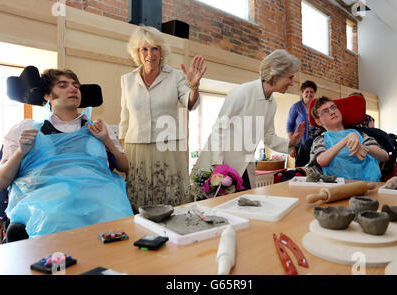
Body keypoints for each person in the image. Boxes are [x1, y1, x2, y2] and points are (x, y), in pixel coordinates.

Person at [0, 68, 133, 242]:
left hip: (100, 199)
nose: (73, 89)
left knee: (118, 222)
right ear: (47, 95)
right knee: (55, 220)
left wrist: (106, 141)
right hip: (48, 203)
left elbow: (125, 166)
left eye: (76, 85)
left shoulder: (98, 128)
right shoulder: (26, 128)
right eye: (63, 85)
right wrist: (21, 152)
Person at [119, 25, 206, 212]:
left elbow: (189, 103)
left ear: (161, 51)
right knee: (141, 204)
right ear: (137, 52)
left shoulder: (175, 76)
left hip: (167, 148)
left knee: (170, 201)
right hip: (136, 150)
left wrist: (194, 87)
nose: (150, 53)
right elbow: (124, 120)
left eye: (154, 48)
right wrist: (120, 154)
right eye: (144, 49)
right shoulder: (127, 79)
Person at [193, 49, 305, 192]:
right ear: (276, 74)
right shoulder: (242, 92)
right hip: (218, 166)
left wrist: (291, 142)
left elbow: (268, 137)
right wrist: (218, 167)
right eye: (290, 77)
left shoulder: (272, 103)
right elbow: (219, 129)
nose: (292, 83)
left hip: (243, 169)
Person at [306, 96, 389, 181]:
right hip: (338, 186)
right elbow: (322, 161)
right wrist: (347, 139)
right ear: (318, 121)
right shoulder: (321, 140)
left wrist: (364, 148)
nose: (332, 112)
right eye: (325, 111)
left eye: (333, 107)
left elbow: (384, 156)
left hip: (369, 184)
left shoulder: (361, 134)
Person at [287, 80, 319, 157]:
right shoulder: (296, 107)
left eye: (311, 92)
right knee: (301, 168)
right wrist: (292, 145)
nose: (309, 94)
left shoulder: (317, 106)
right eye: (306, 91)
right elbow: (289, 127)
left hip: (316, 145)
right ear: (302, 93)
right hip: (300, 146)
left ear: (314, 93)